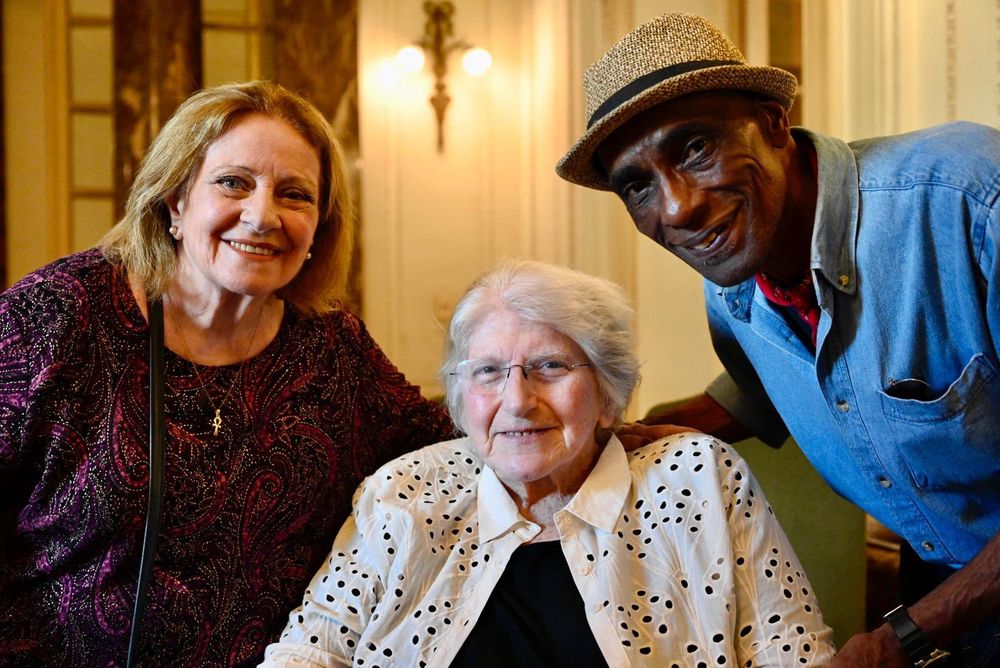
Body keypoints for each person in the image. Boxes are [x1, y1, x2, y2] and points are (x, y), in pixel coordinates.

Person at [554, 12, 1000, 667]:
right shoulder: (734, 278)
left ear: (772, 123)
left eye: (695, 148)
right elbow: (768, 388)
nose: (677, 208)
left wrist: (897, 639)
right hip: (944, 591)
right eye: (638, 185)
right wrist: (614, 439)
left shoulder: (970, 197)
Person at [0, 81, 456, 666]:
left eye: (295, 195)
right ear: (175, 202)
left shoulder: (332, 350)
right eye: (233, 183)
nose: (262, 216)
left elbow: (453, 449)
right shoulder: (57, 317)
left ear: (319, 228)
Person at [261, 259, 835, 667]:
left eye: (551, 367)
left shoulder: (698, 478)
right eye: (488, 371)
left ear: (608, 392)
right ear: (460, 401)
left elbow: (793, 653)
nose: (517, 400)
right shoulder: (402, 493)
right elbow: (310, 650)